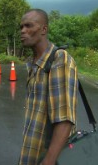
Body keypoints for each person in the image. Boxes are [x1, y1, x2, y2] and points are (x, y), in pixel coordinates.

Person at [18, 9, 78, 165]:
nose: (23, 31)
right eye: (21, 27)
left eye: (29, 26)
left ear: (44, 29)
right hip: (31, 153)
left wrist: (49, 161)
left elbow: (64, 119)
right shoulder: (33, 63)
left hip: (48, 158)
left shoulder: (59, 59)